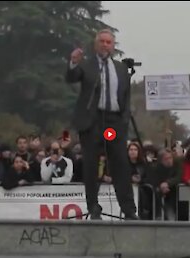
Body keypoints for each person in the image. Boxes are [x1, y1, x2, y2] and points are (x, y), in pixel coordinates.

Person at [65, 29, 138, 220]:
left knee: (120, 163)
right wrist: (73, 62)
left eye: (108, 42)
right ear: (96, 44)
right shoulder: (87, 65)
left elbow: (125, 96)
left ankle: (129, 209)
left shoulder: (121, 69)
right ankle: (93, 206)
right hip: (93, 121)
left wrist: (123, 121)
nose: (105, 45)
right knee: (91, 164)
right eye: (102, 42)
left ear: (113, 46)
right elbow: (71, 77)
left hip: (113, 124)